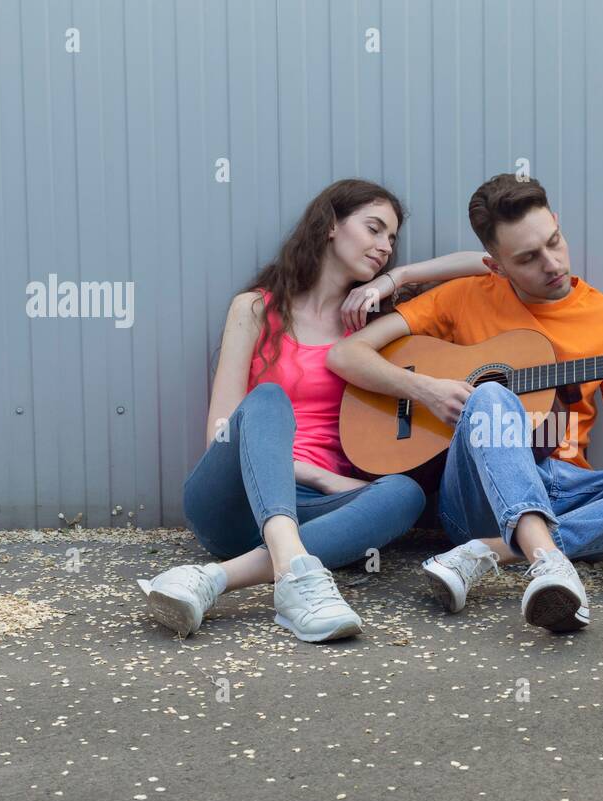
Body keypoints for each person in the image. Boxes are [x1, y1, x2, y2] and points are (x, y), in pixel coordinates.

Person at [327, 174, 603, 634]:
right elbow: (346, 354)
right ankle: (548, 558)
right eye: (527, 259)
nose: (551, 264)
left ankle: (491, 553)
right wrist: (426, 389)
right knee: (492, 393)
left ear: (556, 223)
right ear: (495, 265)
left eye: (554, 242)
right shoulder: (461, 296)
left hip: (561, 487)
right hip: (474, 497)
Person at [140, 179, 488, 642]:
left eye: (392, 239)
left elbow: (493, 268)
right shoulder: (255, 309)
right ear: (329, 226)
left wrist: (397, 279)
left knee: (404, 493)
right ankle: (292, 572)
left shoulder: (375, 330)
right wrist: (321, 476)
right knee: (267, 400)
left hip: (318, 517)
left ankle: (214, 579)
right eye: (374, 229)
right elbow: (221, 432)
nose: (385, 246)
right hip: (235, 498)